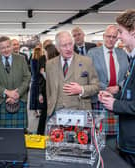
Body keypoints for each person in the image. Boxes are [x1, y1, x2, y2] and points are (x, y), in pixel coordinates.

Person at [98, 9, 135, 167]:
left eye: (120, 32)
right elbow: (129, 92)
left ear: (133, 32)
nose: (118, 36)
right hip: (128, 140)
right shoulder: (132, 58)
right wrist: (114, 97)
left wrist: (115, 104)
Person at [87, 25, 128, 149]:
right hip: (99, 99)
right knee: (98, 135)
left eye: (114, 37)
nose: (111, 39)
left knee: (114, 137)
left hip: (117, 99)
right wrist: (106, 88)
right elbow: (89, 75)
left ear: (117, 39)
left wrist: (119, 87)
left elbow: (128, 74)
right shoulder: (92, 53)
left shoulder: (122, 53)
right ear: (103, 37)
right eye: (108, 36)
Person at [46, 31, 99, 117]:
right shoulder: (49, 64)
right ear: (57, 48)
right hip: (56, 113)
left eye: (70, 44)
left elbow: (96, 86)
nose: (68, 48)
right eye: (64, 45)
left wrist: (81, 89)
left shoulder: (86, 62)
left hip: (80, 112)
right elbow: (49, 90)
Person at [0, 36, 30, 128]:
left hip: (19, 100)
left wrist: (17, 94)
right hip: (1, 101)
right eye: (2, 48)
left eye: (8, 46)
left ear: (11, 46)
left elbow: (27, 78)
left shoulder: (21, 59)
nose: (6, 50)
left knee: (19, 133)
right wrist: (7, 92)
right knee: (1, 135)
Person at [37, 44, 59, 134]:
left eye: (45, 52)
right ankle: (41, 134)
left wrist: (44, 74)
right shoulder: (44, 61)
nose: (44, 54)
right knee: (44, 113)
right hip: (45, 91)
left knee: (53, 114)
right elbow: (40, 80)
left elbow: (55, 80)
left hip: (54, 93)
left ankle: (54, 134)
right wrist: (40, 93)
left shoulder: (57, 63)